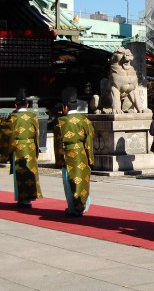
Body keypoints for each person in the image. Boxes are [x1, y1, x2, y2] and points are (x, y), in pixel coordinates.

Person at [54, 88, 95, 217]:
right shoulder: (85, 120)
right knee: (83, 180)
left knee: (69, 181)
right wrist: (90, 158)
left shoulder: (61, 122)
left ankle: (73, 208)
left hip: (68, 154)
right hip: (81, 152)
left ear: (65, 107)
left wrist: (59, 160)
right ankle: (83, 205)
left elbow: (58, 143)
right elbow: (89, 139)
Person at [0, 88, 42, 208]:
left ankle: (22, 199)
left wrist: (6, 151)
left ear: (15, 105)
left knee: (20, 174)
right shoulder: (33, 116)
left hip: (18, 148)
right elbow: (37, 134)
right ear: (27, 105)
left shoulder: (13, 117)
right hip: (31, 147)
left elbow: (7, 134)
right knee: (30, 172)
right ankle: (30, 197)